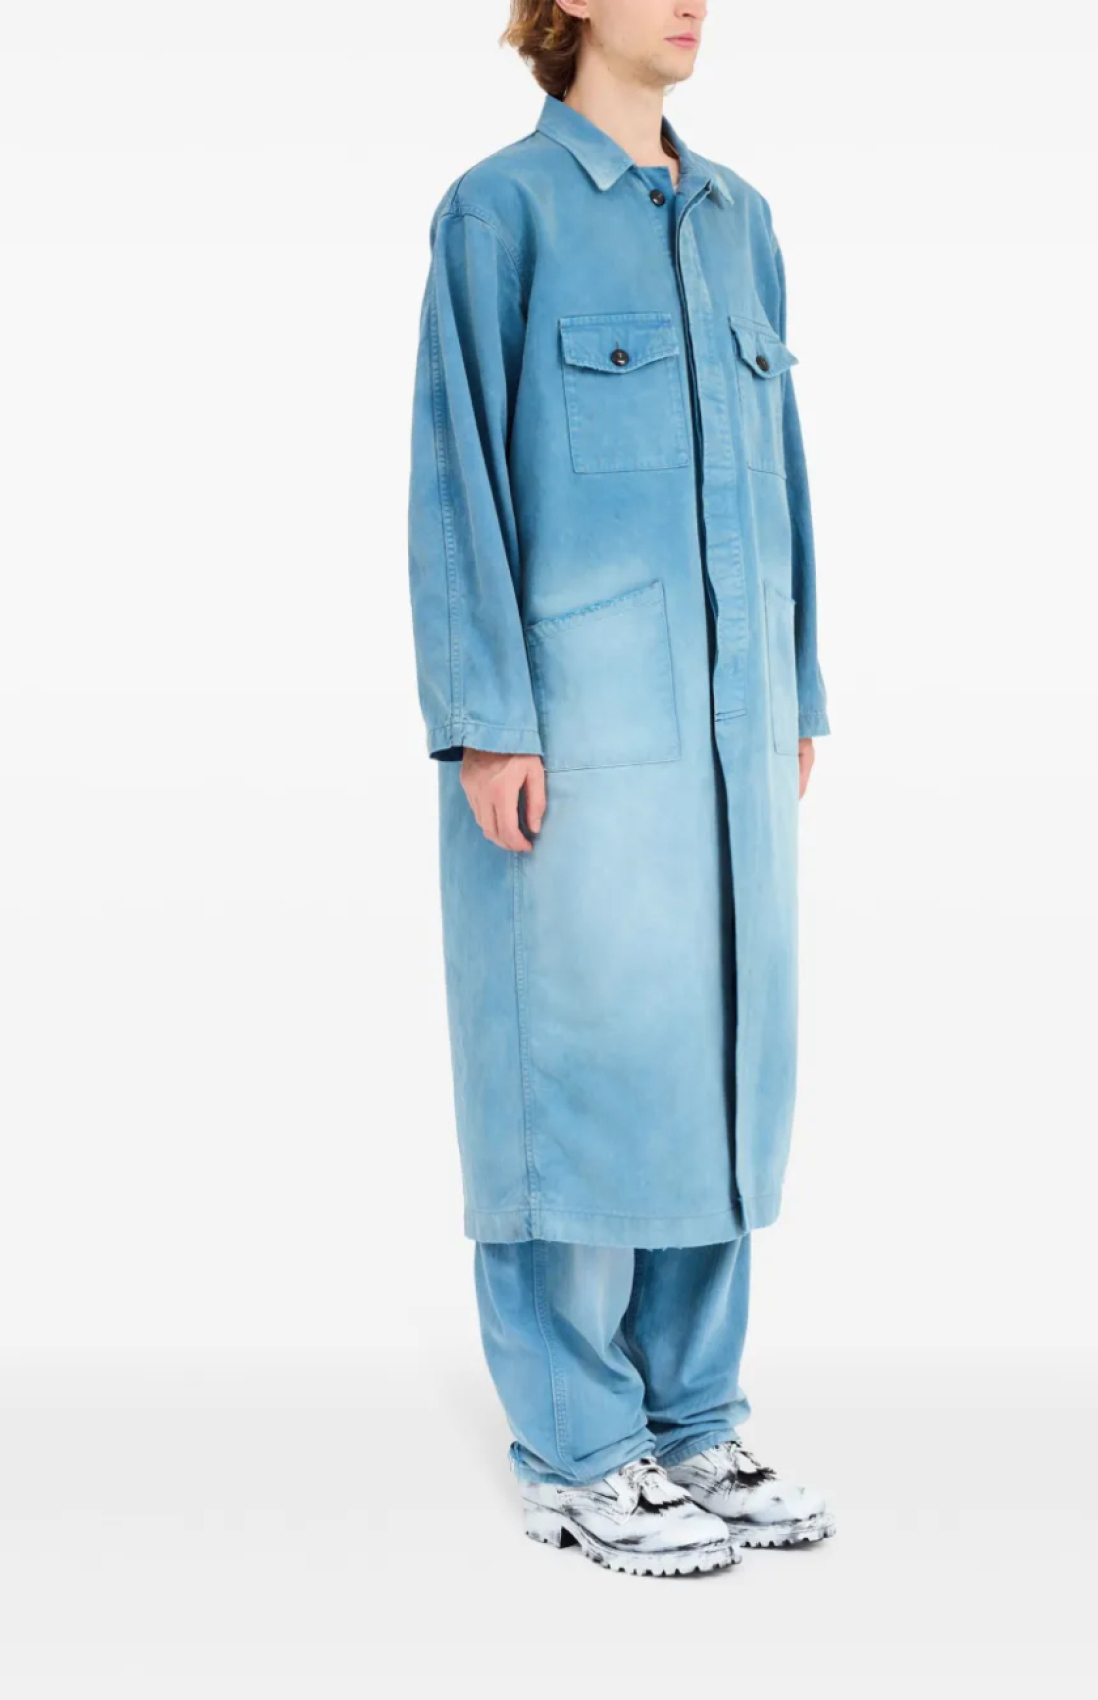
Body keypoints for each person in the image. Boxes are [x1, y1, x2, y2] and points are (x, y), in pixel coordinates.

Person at [406, 0, 833, 1577]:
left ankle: (693, 1417)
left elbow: (786, 467)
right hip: (575, 735)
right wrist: (486, 721)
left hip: (733, 734)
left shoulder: (740, 222)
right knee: (570, 1072)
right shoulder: (498, 215)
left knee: (716, 1069)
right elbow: (456, 474)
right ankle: (578, 1450)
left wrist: (797, 686)